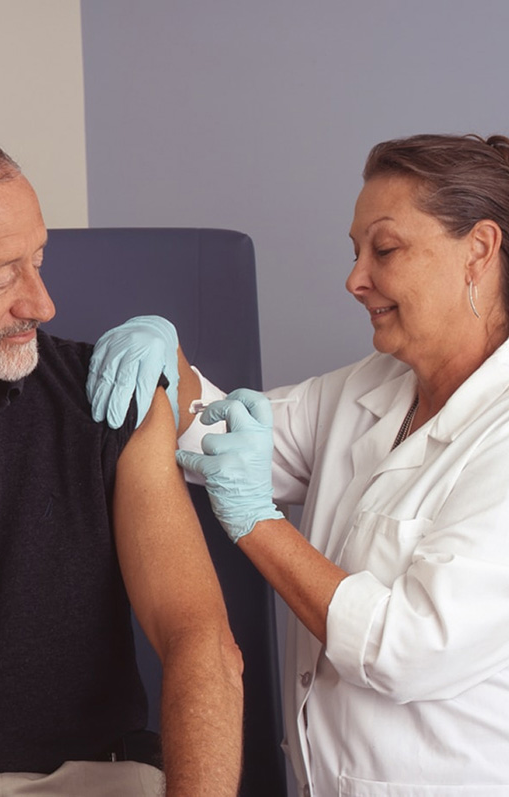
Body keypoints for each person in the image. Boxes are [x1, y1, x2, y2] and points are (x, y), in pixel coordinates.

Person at [86, 133, 509, 795]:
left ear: (478, 250)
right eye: (354, 250)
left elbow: (408, 646)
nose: (354, 278)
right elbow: (221, 432)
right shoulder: (373, 387)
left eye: (385, 249)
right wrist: (168, 360)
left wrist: (258, 521)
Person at [0, 127, 244, 797]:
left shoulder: (106, 402)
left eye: (37, 259)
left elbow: (200, 641)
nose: (41, 304)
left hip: (94, 780)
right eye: (1, 276)